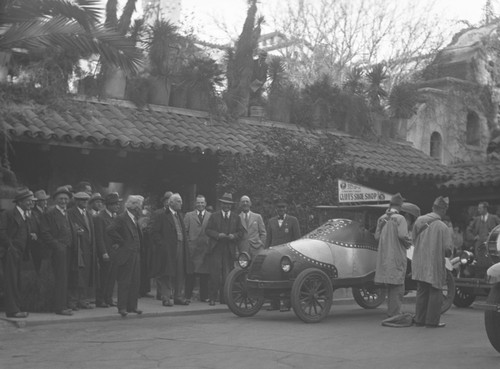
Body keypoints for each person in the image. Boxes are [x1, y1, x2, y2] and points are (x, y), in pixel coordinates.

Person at [412, 196, 452, 328]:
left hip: (419, 262)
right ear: (443, 210)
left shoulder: (419, 221)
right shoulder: (443, 227)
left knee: (421, 290)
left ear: (432, 208)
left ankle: (419, 320)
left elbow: (413, 240)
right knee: (436, 291)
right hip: (434, 264)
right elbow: (447, 250)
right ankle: (431, 321)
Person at [374, 193, 411, 318]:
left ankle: (391, 311)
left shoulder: (381, 218)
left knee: (390, 285)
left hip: (384, 257)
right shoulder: (400, 219)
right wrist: (408, 243)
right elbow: (402, 235)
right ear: (400, 206)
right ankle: (395, 313)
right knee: (398, 285)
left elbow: (377, 237)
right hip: (396, 256)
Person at [107, 195, 144, 317]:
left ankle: (132, 306)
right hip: (126, 254)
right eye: (140, 206)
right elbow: (110, 230)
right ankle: (122, 307)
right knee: (125, 281)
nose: (141, 209)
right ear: (135, 207)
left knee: (135, 281)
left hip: (135, 254)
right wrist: (121, 241)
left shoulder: (134, 218)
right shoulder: (122, 218)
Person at [0, 188, 35, 318]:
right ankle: (12, 310)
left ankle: (17, 307)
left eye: (31, 201)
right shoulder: (8, 213)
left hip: (20, 252)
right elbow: (2, 232)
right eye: (28, 201)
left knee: (17, 280)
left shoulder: (26, 215)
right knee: (11, 281)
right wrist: (10, 247)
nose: (31, 203)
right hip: (10, 252)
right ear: (20, 202)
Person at [40, 186, 74, 316]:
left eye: (66, 199)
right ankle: (60, 307)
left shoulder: (68, 213)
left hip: (69, 250)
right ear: (55, 200)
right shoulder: (49, 214)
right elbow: (45, 233)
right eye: (60, 199)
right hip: (57, 251)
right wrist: (57, 245)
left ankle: (65, 304)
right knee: (60, 278)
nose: (63, 201)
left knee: (66, 278)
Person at [205, 193, 244, 306]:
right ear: (221, 204)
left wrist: (234, 236)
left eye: (228, 204)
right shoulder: (214, 216)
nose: (226, 206)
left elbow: (241, 232)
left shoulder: (236, 217)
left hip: (229, 249)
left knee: (227, 274)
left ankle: (224, 298)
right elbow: (207, 230)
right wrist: (218, 235)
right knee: (214, 274)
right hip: (216, 248)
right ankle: (212, 298)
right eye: (224, 203)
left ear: (231, 205)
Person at [151, 193, 189, 307]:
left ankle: (178, 296)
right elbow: (154, 232)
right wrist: (162, 245)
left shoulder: (180, 215)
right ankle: (166, 297)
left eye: (181, 201)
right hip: (168, 249)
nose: (181, 203)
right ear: (170, 203)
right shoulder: (162, 214)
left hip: (180, 246)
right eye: (178, 201)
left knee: (180, 272)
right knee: (167, 273)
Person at [265, 198, 301, 311]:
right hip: (274, 254)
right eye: (279, 207)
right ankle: (274, 303)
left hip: (288, 255)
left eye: (283, 207)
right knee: (273, 277)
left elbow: (297, 239)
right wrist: (266, 253)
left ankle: (287, 304)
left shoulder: (293, 220)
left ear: (286, 209)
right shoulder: (271, 221)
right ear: (276, 209)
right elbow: (268, 239)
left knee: (288, 279)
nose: (281, 209)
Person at [67, 192, 98, 310]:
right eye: (82, 200)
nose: (84, 202)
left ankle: (83, 300)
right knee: (76, 276)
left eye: (86, 200)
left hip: (88, 249)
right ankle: (73, 301)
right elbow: (70, 227)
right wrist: (75, 231)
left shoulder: (88, 214)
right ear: (76, 201)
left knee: (86, 275)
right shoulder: (71, 213)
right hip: (78, 249)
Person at [93, 192, 121, 308]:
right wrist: (103, 252)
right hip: (106, 251)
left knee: (112, 276)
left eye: (117, 204)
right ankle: (100, 299)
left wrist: (119, 244)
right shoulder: (100, 217)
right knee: (104, 276)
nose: (117, 207)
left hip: (114, 250)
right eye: (115, 204)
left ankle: (109, 298)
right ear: (108, 205)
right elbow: (99, 237)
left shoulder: (115, 217)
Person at [184, 194, 211, 303]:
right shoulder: (189, 215)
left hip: (205, 249)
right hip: (192, 249)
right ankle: (187, 296)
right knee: (190, 274)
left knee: (204, 275)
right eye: (198, 203)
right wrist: (188, 244)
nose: (200, 205)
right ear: (195, 204)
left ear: (205, 204)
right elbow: (185, 231)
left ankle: (204, 297)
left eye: (202, 203)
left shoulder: (211, 216)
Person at [30, 189, 50, 273]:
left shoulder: (48, 211)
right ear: (37, 202)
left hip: (47, 241)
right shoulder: (32, 212)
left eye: (46, 200)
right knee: (37, 263)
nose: (45, 202)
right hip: (37, 242)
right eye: (42, 200)